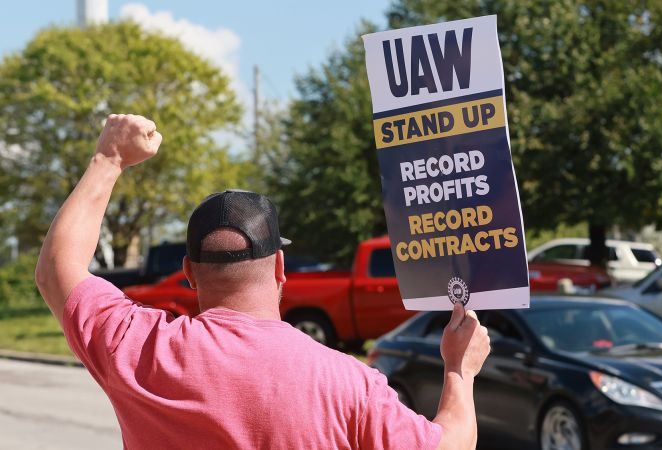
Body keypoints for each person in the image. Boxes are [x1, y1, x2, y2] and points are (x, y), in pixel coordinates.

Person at [35, 114, 491, 449]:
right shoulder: (348, 383)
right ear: (280, 268)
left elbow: (58, 269)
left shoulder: (138, 349)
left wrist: (109, 157)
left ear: (189, 272)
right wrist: (458, 369)